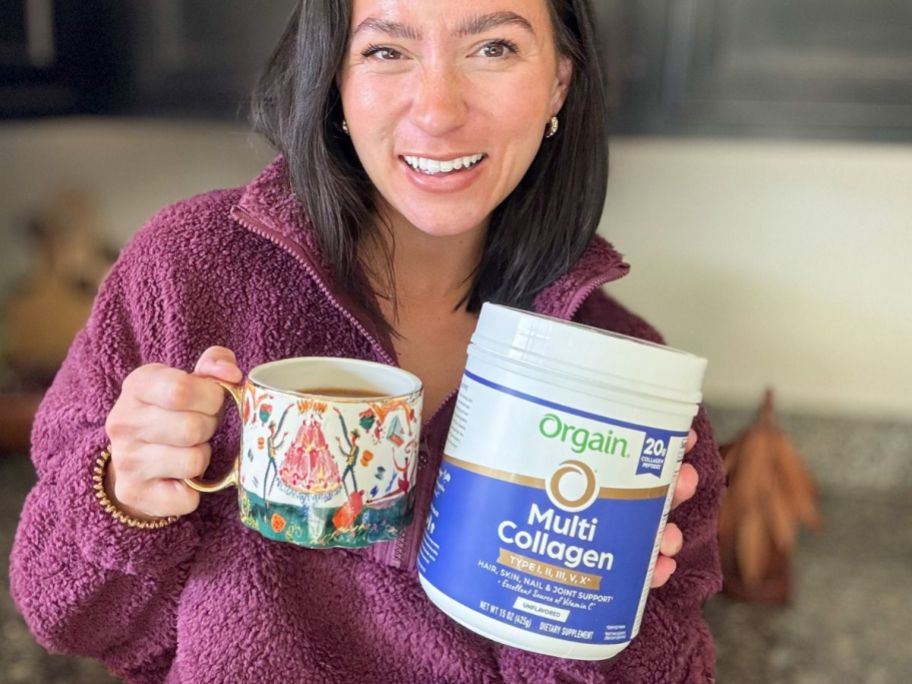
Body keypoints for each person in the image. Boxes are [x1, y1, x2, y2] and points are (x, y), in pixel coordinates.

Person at [10, 1, 724, 682]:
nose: (438, 110)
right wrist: (125, 499)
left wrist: (596, 624)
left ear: (559, 83)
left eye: (494, 47)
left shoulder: (629, 392)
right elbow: (61, 610)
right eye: (385, 50)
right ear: (334, 80)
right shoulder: (190, 269)